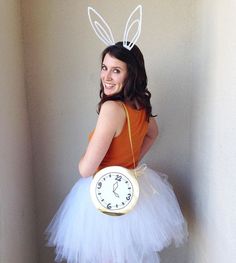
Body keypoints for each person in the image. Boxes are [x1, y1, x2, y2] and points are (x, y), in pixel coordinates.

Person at [45, 42, 188, 263]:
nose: (107, 77)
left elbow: (86, 169)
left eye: (116, 70)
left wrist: (85, 157)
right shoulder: (141, 105)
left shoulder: (111, 109)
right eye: (104, 67)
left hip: (104, 198)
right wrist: (130, 162)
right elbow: (152, 133)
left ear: (131, 75)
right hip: (135, 190)